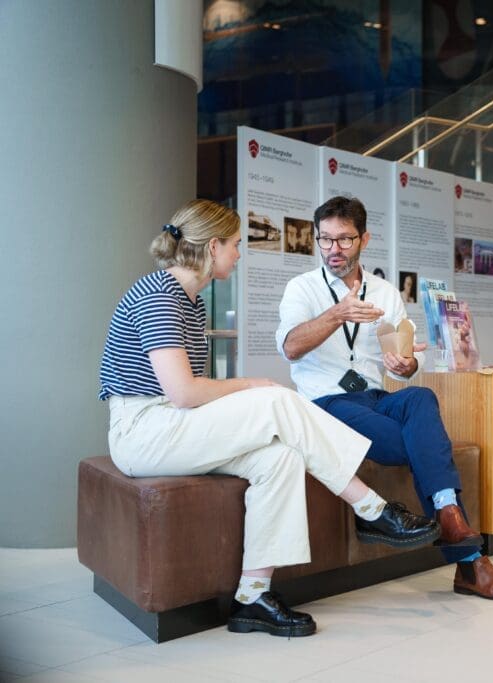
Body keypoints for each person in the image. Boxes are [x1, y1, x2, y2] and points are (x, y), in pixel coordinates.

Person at [99, 200, 439, 638]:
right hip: (142, 431)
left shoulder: (191, 302)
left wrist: (252, 391)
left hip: (171, 424)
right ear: (214, 246)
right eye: (237, 245)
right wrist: (254, 385)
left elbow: (188, 396)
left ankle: (253, 596)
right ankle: (371, 508)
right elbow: (183, 393)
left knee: (279, 459)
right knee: (277, 399)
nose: (240, 255)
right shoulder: (158, 295)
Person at [277, 196, 493, 600]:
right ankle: (469, 559)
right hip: (326, 402)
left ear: (364, 238)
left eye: (344, 240)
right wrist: (336, 314)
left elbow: (402, 356)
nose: (333, 250)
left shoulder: (384, 291)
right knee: (420, 444)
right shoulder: (302, 289)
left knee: (420, 396)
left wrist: (406, 365)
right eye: (324, 240)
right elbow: (290, 347)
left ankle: (451, 522)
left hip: (376, 395)